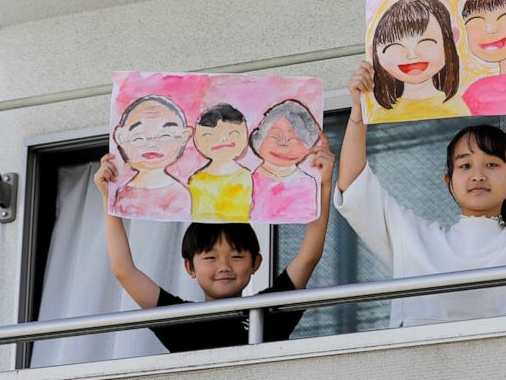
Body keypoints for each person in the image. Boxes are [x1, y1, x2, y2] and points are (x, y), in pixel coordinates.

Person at [336, 48, 506, 327]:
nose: (478, 175)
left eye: (492, 165)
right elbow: (355, 187)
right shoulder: (414, 240)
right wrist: (358, 110)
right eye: (465, 166)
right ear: (449, 181)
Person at [93, 134, 335, 352]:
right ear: (189, 267)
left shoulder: (269, 310)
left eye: (236, 256)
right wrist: (108, 197)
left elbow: (309, 255)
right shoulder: (181, 320)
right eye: (210, 257)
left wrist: (323, 183)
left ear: (256, 262)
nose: (224, 266)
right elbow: (124, 271)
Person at [369, 0, 468, 122]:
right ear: (373, 52)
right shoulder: (378, 115)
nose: (412, 55)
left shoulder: (458, 107)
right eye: (395, 46)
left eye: (426, 41)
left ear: (452, 38)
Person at [110, 94, 193, 219]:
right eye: (139, 138)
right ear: (120, 138)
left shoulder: (179, 195)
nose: (152, 144)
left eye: (165, 136)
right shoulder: (122, 193)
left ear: (184, 136)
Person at [249, 99, 322, 223]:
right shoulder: (249, 181)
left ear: (307, 146)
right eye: (274, 137)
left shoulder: (306, 184)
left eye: (293, 139)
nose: (282, 144)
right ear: (259, 140)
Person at [188, 103, 253, 222]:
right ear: (197, 139)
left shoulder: (247, 177)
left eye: (233, 134)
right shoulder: (196, 180)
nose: (222, 140)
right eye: (209, 135)